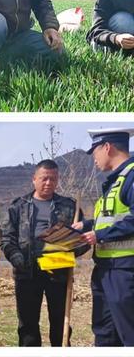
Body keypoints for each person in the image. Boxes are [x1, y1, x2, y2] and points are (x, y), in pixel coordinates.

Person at [0, 159, 87, 346]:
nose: (48, 183)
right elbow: (7, 238)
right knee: (28, 327)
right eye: (44, 178)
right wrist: (16, 257)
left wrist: (71, 248)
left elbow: (84, 239)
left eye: (53, 179)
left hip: (59, 273)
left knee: (60, 326)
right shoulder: (18, 206)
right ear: (34, 179)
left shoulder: (69, 207)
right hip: (27, 273)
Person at [73, 128, 134, 346]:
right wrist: (87, 225)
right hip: (106, 270)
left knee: (129, 334)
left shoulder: (131, 177)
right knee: (106, 335)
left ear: (107, 147)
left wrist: (99, 235)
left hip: (125, 272)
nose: (94, 159)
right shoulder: (115, 181)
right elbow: (114, 217)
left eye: (95, 151)